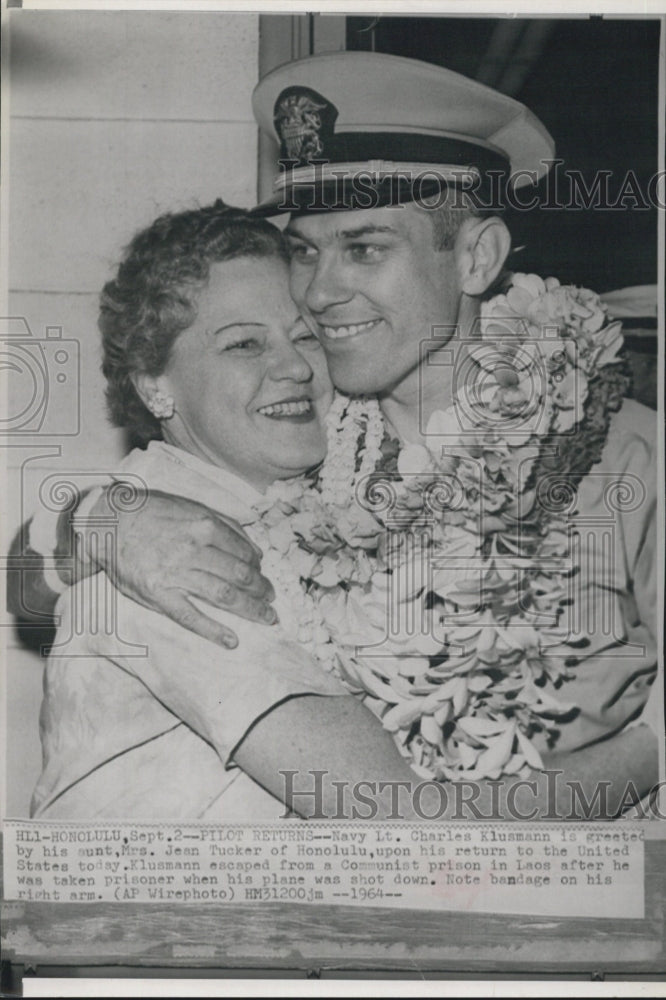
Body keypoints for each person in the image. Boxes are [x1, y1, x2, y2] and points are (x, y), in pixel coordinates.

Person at [12, 54, 660, 812]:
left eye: (365, 248)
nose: (321, 292)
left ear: (477, 257)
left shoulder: (623, 454)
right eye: (306, 250)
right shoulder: (304, 460)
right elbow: (26, 578)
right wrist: (97, 518)